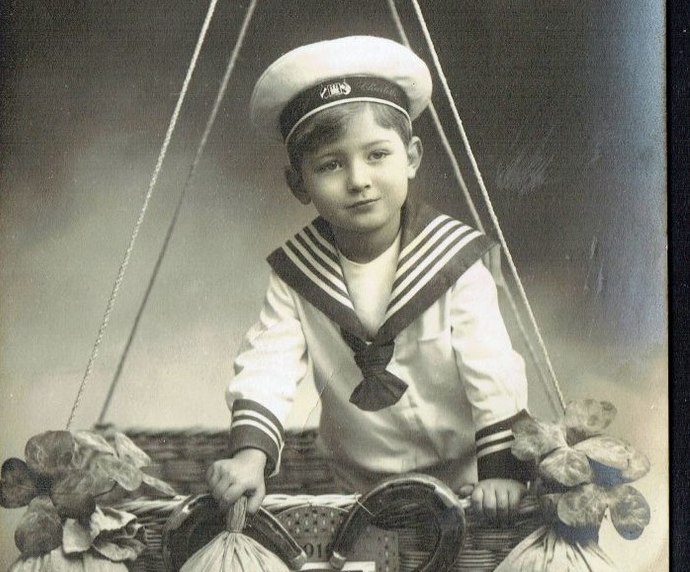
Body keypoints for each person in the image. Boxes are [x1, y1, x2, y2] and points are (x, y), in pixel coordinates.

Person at [207, 36, 529, 522]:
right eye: (331, 164)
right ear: (299, 185)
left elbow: (491, 368)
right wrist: (249, 455)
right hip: (356, 484)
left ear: (412, 158)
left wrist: (501, 468)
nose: (357, 179)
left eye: (377, 155)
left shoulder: (456, 260)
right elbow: (267, 364)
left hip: (467, 472)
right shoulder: (298, 275)